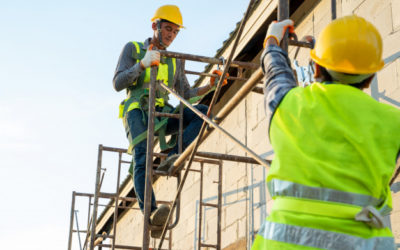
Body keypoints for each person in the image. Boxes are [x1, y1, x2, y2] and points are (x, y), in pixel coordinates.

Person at [252, 16, 400, 249]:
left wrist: (271, 41)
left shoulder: (288, 103)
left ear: (317, 67)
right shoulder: (394, 122)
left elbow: (276, 73)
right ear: (370, 77)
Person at [112, 5, 227, 238]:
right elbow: (117, 82)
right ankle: (153, 214)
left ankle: (174, 155)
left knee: (203, 113)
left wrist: (210, 85)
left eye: (175, 32)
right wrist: (142, 64)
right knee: (142, 158)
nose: (170, 36)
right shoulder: (133, 49)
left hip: (163, 113)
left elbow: (185, 94)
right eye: (167, 29)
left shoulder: (174, 61)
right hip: (137, 111)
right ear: (155, 26)